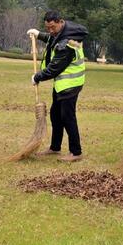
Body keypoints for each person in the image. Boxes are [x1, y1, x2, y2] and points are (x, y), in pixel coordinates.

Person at [27, 11, 88, 162]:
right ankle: (55, 147)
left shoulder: (67, 43)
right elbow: (52, 39)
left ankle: (76, 152)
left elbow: (55, 68)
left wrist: (37, 76)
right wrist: (39, 34)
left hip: (70, 84)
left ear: (60, 22)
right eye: (48, 28)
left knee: (68, 117)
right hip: (62, 84)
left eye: (52, 27)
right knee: (55, 114)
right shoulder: (65, 31)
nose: (51, 31)